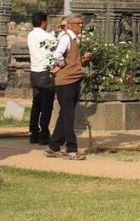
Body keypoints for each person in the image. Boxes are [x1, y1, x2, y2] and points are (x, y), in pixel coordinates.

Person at [45, 14, 92, 160]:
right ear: (70, 25)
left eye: (82, 23)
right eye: (78, 23)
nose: (81, 26)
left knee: (65, 113)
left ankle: (54, 146)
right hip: (65, 81)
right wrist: (62, 64)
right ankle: (71, 148)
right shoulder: (66, 38)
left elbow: (72, 59)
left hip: (74, 79)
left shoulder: (75, 39)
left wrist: (82, 60)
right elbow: (57, 54)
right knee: (68, 115)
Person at [26, 11, 57, 145]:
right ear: (43, 22)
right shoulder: (47, 36)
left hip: (34, 72)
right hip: (45, 73)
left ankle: (34, 133)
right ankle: (44, 134)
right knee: (46, 106)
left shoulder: (30, 35)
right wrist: (56, 33)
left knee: (36, 104)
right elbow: (55, 47)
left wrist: (53, 33)